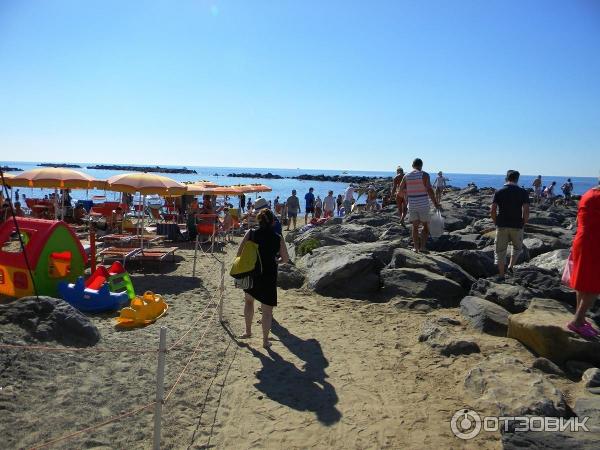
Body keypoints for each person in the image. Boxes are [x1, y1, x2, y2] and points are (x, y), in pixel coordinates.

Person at [238, 209, 289, 348]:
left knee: (249, 302)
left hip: (252, 272)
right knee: (267, 311)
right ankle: (265, 341)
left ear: (258, 220)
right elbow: (285, 259)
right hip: (269, 274)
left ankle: (248, 331)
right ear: (273, 222)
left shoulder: (251, 233)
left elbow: (239, 253)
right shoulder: (277, 237)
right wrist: (276, 261)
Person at [566, 184, 600, 337]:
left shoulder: (588, 194)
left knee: (582, 281)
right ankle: (578, 321)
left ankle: (580, 317)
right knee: (594, 285)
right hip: (594, 242)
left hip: (583, 239)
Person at [490, 170, 530, 278]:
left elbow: (493, 210)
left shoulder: (499, 191)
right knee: (517, 248)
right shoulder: (522, 192)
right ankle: (511, 266)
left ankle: (502, 275)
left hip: (502, 224)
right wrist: (523, 222)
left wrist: (496, 222)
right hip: (517, 225)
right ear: (517, 179)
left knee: (500, 251)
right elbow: (526, 210)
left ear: (506, 178)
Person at [398, 158, 441, 252]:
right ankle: (422, 247)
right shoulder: (425, 175)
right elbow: (429, 190)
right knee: (425, 226)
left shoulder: (406, 176)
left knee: (415, 226)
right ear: (421, 165)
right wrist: (436, 203)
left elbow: (400, 190)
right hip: (423, 205)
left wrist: (407, 196)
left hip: (412, 205)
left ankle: (415, 248)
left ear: (412, 165)